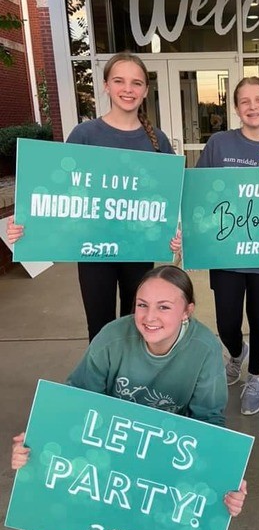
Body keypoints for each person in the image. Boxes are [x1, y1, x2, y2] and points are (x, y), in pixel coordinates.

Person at [11, 264, 246, 516]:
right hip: (110, 444)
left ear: (187, 311)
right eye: (142, 305)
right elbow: (77, 399)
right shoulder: (111, 337)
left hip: (167, 452)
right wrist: (39, 441)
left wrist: (223, 480)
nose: (149, 317)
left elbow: (209, 419)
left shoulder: (205, 348)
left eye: (164, 307)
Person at [7, 52, 175, 342]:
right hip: (93, 250)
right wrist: (27, 224)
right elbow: (58, 194)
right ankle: (101, 371)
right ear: (106, 86)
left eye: (136, 83)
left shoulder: (157, 141)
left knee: (137, 324)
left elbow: (169, 198)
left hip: (138, 249)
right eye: (119, 81)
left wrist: (176, 231)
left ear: (146, 90)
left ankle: (130, 370)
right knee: (99, 327)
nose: (128, 89)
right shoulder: (85, 135)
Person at [196, 77, 259, 416]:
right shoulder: (219, 144)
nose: (253, 107)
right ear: (236, 108)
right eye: (245, 101)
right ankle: (238, 354)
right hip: (225, 249)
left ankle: (255, 377)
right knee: (226, 321)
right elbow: (200, 192)